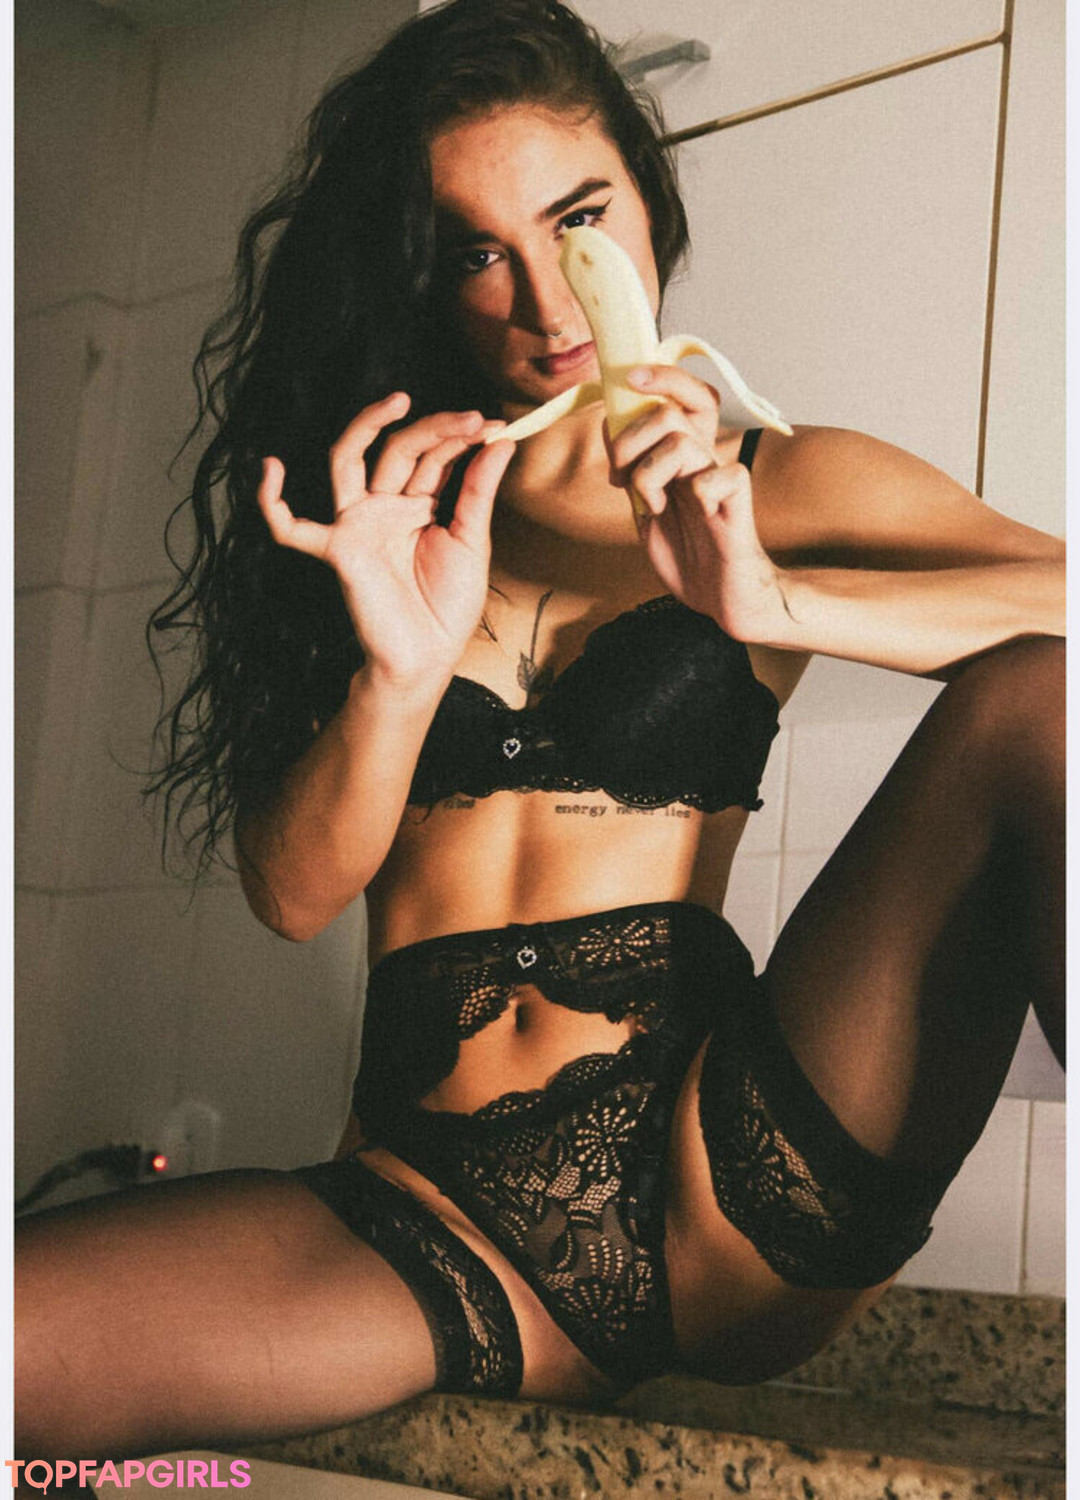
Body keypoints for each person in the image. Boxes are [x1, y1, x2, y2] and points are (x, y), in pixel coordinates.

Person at [16, 0, 1064, 1461]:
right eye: (476, 254)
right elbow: (294, 892)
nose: (549, 305)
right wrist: (397, 673)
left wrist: (769, 599)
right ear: (419, 275)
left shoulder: (767, 482)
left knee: (1046, 697)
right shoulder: (378, 511)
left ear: (648, 200)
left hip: (732, 1169)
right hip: (426, 1207)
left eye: (578, 221)